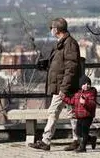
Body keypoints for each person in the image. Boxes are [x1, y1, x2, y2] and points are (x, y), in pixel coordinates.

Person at [29, 18, 82, 152]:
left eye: (51, 28)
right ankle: (78, 140)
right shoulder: (62, 43)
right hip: (64, 85)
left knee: (53, 111)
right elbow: (61, 63)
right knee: (72, 113)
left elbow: (71, 68)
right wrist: (48, 64)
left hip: (64, 87)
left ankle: (46, 141)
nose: (50, 30)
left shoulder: (69, 44)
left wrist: (64, 89)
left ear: (56, 30)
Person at [62, 75, 97, 153]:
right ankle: (91, 139)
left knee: (84, 131)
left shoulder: (91, 93)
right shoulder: (77, 94)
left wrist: (85, 102)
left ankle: (83, 147)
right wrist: (64, 98)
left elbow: (93, 104)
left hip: (88, 116)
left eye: (88, 84)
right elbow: (71, 101)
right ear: (81, 85)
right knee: (78, 131)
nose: (86, 86)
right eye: (84, 84)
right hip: (79, 116)